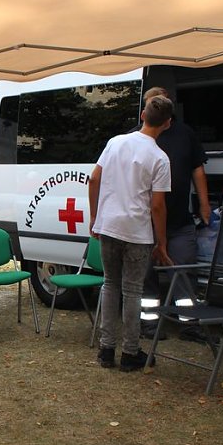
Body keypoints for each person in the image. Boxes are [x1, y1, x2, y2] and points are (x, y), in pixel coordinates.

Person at [89, 95, 173, 372]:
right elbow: (157, 206)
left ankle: (106, 349)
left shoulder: (115, 142)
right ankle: (130, 352)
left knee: (110, 284)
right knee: (132, 290)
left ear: (142, 116)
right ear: (168, 124)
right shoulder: (160, 158)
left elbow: (94, 178)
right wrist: (161, 243)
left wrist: (95, 217)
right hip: (136, 230)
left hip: (109, 225)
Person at [140, 87, 212, 342]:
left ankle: (189, 324)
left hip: (180, 221)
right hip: (146, 224)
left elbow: (197, 170)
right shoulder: (136, 139)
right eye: (154, 105)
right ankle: (149, 324)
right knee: (146, 277)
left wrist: (204, 204)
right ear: (145, 110)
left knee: (184, 271)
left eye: (163, 104)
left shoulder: (185, 134)